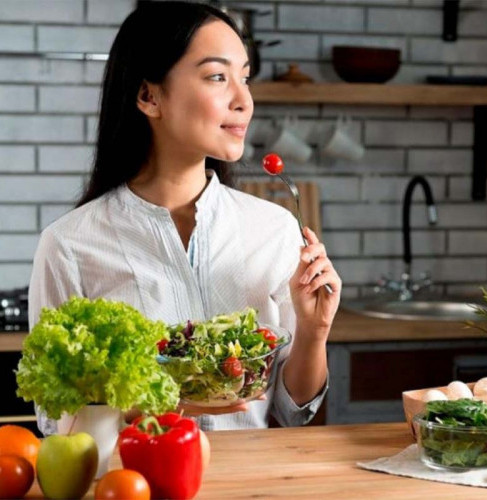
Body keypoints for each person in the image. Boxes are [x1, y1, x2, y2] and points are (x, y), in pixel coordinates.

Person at [28, 1, 341, 433]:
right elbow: (56, 419)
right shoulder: (70, 245)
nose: (243, 100)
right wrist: (161, 403)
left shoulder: (274, 229)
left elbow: (292, 411)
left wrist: (313, 330)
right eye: (217, 76)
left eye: (244, 78)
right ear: (149, 96)